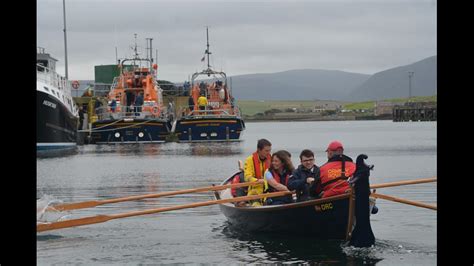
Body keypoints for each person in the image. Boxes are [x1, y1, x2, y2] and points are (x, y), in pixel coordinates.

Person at [244, 139, 272, 207]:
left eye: (269, 150)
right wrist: (258, 181)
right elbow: (247, 177)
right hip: (255, 192)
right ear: (259, 150)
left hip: (269, 191)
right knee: (256, 205)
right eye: (266, 151)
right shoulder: (249, 160)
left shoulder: (272, 159)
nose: (268, 153)